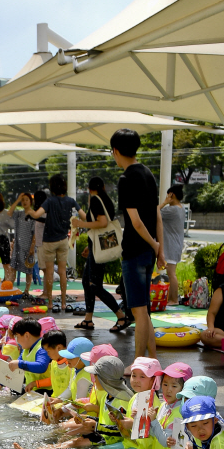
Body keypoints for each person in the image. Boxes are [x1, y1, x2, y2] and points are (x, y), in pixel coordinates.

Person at [111, 129, 165, 359]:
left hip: (134, 252)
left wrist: (155, 245)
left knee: (139, 312)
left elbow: (136, 222)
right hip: (149, 253)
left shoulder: (126, 179)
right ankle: (151, 360)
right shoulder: (148, 174)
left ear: (115, 151)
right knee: (145, 312)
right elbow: (157, 217)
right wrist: (158, 248)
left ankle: (138, 364)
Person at [71, 176, 128, 332]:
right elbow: (100, 227)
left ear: (90, 189)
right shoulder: (105, 199)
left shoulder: (96, 200)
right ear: (103, 186)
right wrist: (90, 247)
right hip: (97, 247)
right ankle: (88, 319)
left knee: (94, 285)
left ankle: (121, 316)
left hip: (99, 251)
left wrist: (80, 224)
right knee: (86, 281)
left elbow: (102, 223)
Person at [46, 354, 134, 449]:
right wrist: (89, 419)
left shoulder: (122, 401)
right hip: (103, 431)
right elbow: (103, 418)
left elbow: (123, 431)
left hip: (111, 438)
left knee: (74, 443)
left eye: (96, 376)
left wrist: (96, 426)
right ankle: (47, 446)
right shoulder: (107, 394)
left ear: (105, 379)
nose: (94, 379)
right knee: (68, 436)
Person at [30, 173, 77, 312]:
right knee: (62, 272)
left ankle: (50, 302)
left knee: (49, 272)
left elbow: (37, 215)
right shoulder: (70, 201)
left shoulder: (49, 202)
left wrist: (28, 210)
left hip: (49, 241)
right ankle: (63, 302)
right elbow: (83, 215)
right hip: (63, 240)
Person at [7, 318, 52, 393]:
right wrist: (0, 382)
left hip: (46, 390)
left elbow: (42, 366)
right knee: (13, 389)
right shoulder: (26, 349)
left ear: (27, 335)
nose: (17, 341)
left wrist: (19, 364)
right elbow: (15, 368)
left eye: (17, 336)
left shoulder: (42, 348)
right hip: (32, 388)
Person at [160, 185, 185, 305]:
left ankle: (173, 299)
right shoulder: (181, 208)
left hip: (170, 245)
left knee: (171, 274)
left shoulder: (171, 210)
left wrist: (164, 202)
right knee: (171, 273)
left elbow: (155, 211)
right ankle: (171, 298)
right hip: (176, 244)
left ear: (171, 195)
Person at [7, 192, 36, 293]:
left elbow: (35, 233)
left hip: (28, 246)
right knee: (13, 268)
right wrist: (17, 200)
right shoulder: (19, 214)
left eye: (26, 200)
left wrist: (32, 247)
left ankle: (26, 291)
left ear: (30, 202)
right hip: (18, 246)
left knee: (28, 270)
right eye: (23, 200)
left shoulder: (33, 214)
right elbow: (9, 213)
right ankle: (10, 288)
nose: (24, 202)